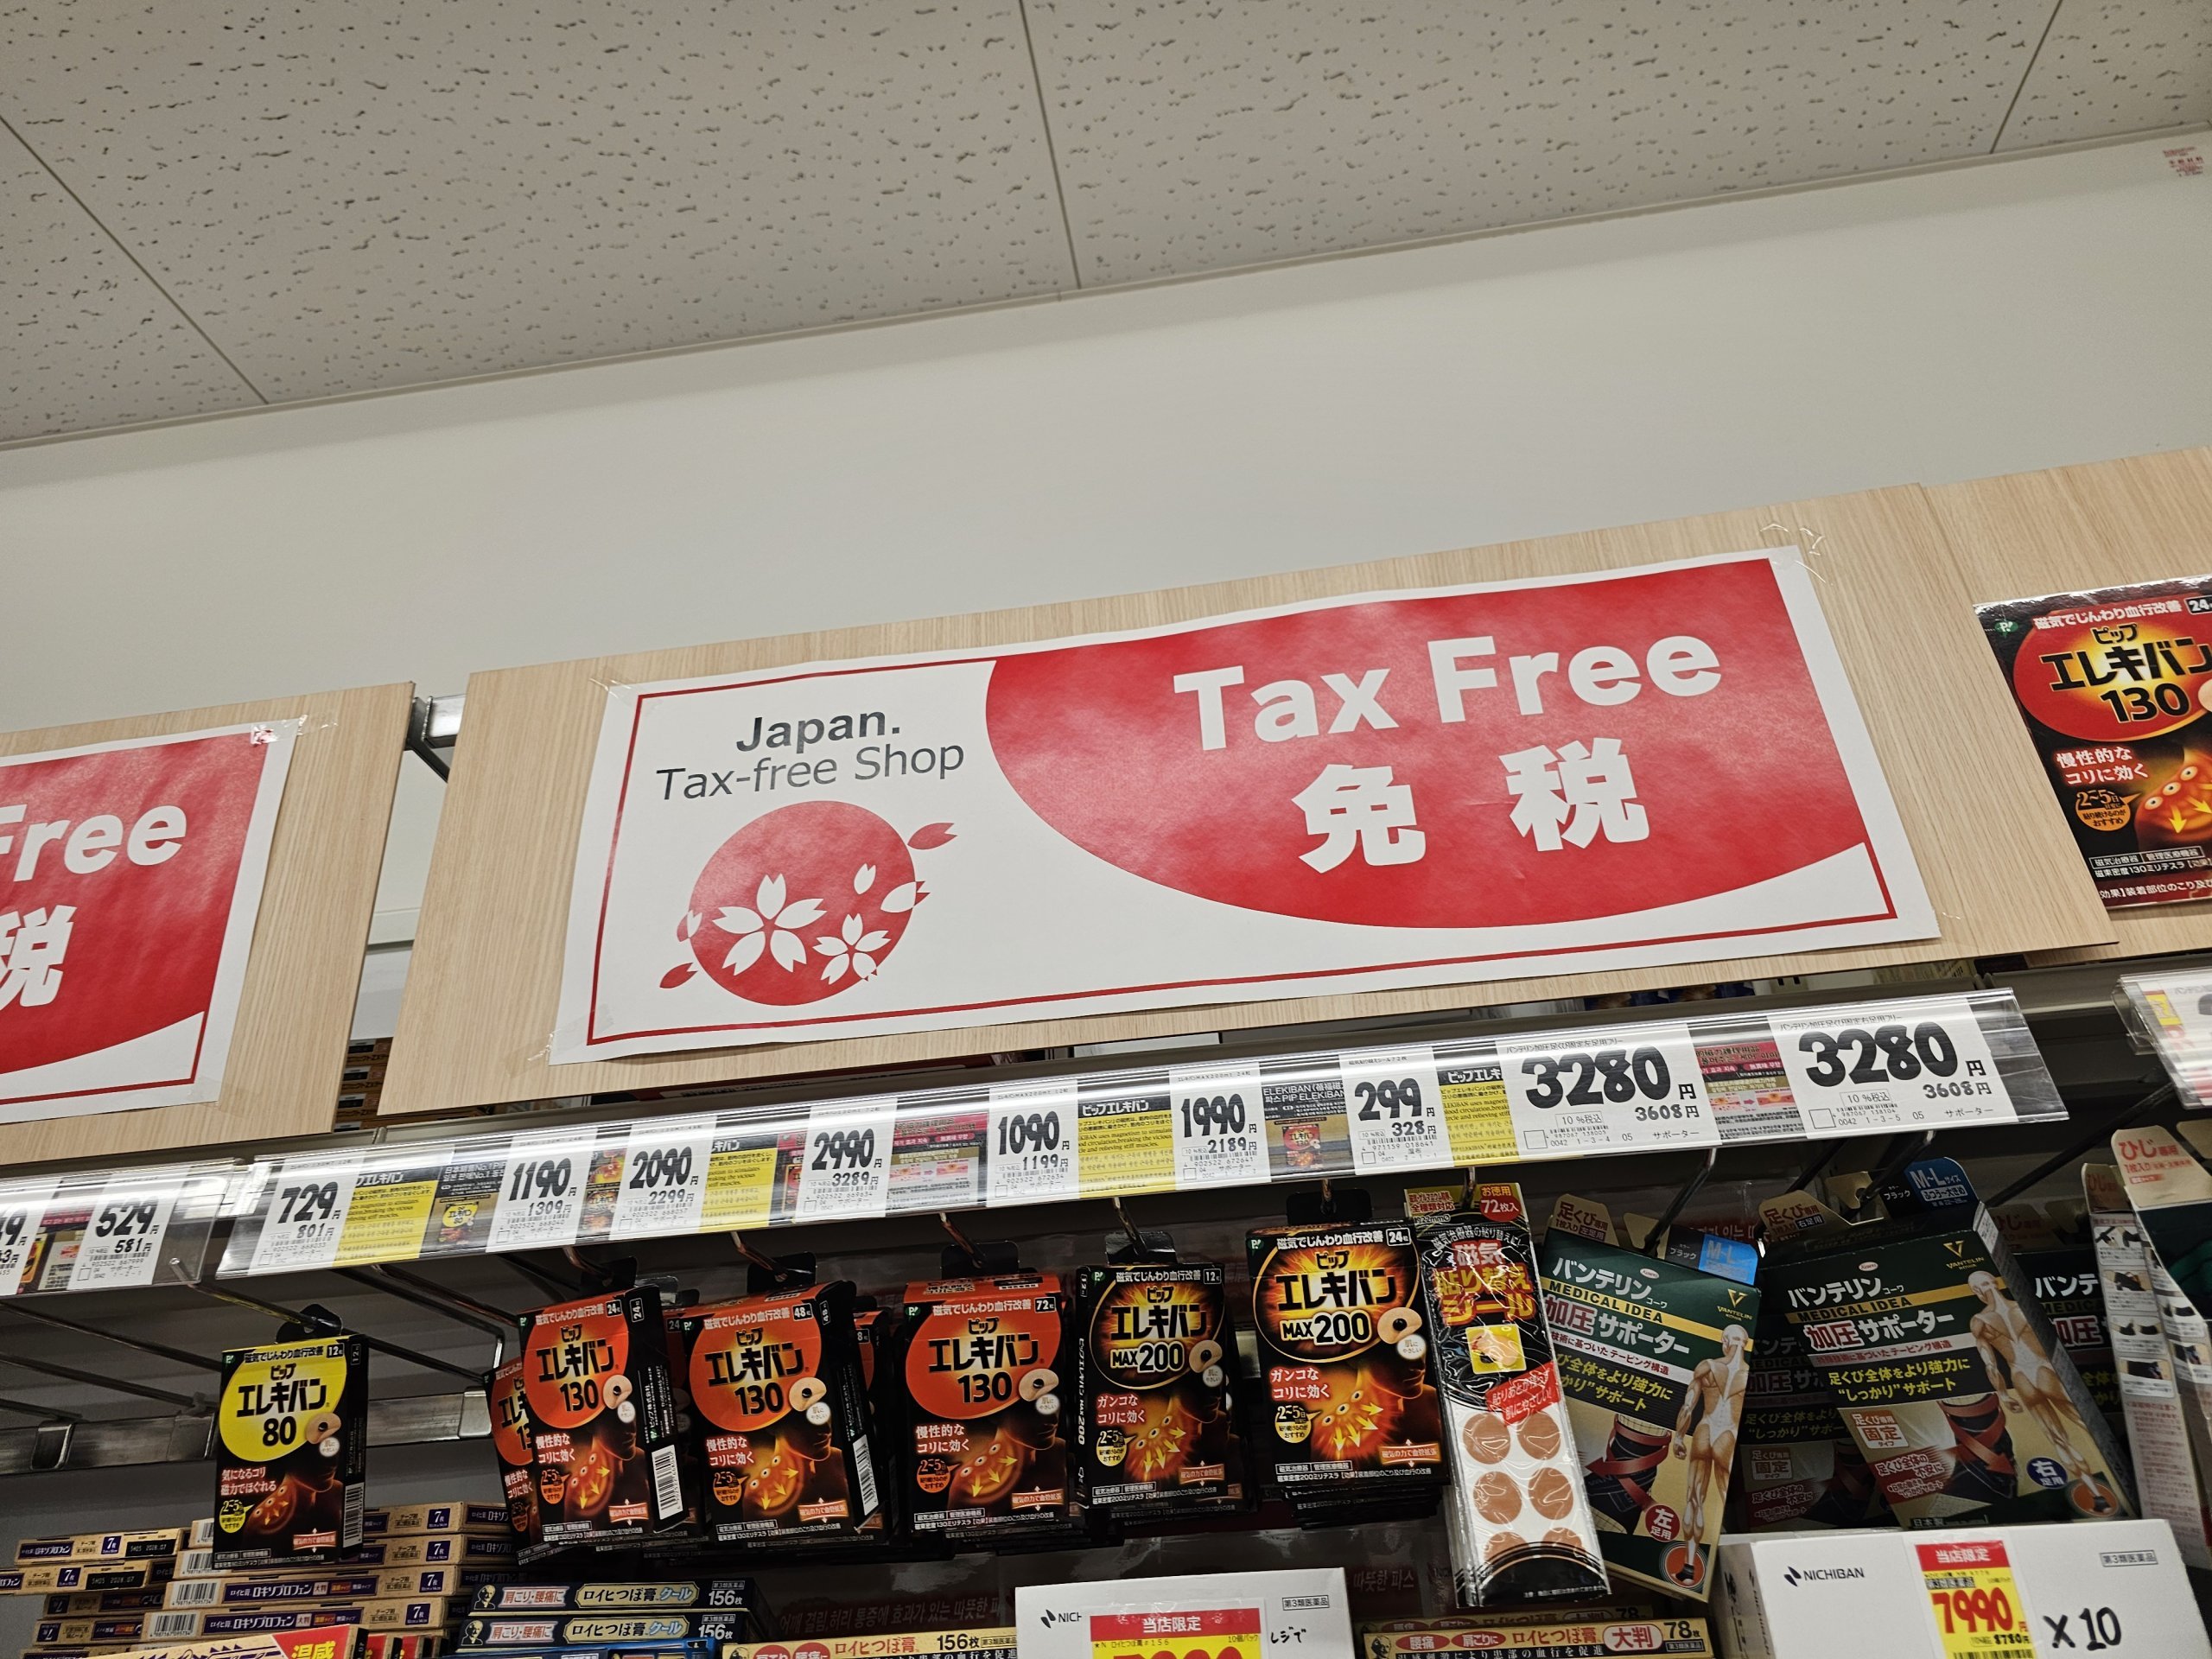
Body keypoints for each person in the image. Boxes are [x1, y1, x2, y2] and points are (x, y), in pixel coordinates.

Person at [1669, 1322, 1750, 1582]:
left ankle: (1689, 1568)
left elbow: (1688, 1406)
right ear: (1745, 1344)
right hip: (1728, 1434)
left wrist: (1679, 1437)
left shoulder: (1707, 1366)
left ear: (1724, 1342)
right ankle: (1740, 1570)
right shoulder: (1748, 1375)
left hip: (1705, 1429)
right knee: (1724, 1497)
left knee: (1694, 1499)